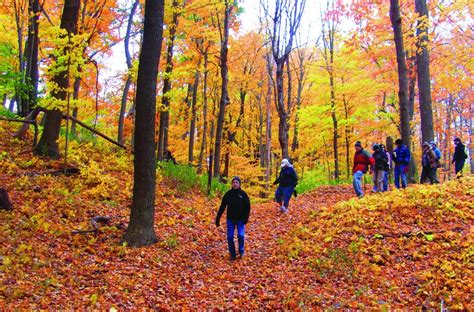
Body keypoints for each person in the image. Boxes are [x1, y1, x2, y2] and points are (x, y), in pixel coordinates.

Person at [215, 176, 251, 260]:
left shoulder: (243, 194)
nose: (235, 184)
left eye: (236, 182)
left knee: (240, 235)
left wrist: (246, 218)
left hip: (241, 219)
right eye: (233, 182)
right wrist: (218, 218)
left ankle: (241, 251)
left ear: (239, 184)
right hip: (230, 219)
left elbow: (248, 207)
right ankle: (233, 254)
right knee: (230, 237)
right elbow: (222, 206)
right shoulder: (228, 194)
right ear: (232, 184)